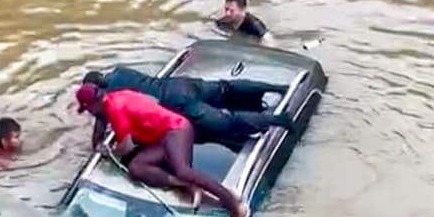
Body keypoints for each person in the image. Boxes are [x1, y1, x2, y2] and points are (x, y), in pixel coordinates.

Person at [75, 83, 249, 217]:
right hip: (160, 139)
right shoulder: (116, 96)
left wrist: (110, 153)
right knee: (137, 168)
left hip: (176, 130)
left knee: (183, 170)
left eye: (88, 109)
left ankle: (232, 202)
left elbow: (127, 146)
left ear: (93, 105)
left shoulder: (114, 109)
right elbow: (149, 103)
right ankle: (187, 185)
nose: (89, 113)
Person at [82, 68, 291, 148]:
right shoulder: (120, 71)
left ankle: (279, 120)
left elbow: (98, 134)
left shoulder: (109, 99)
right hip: (180, 83)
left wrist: (98, 144)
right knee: (226, 88)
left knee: (228, 124)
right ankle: (277, 88)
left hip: (178, 104)